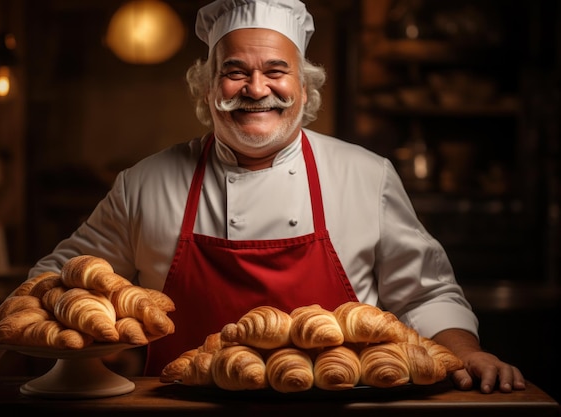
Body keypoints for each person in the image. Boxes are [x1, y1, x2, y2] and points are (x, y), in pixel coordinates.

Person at [27, 0, 524, 393]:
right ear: (207, 88)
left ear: (304, 89)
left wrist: (468, 353)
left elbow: (426, 293)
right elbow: (61, 275)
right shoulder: (145, 182)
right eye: (235, 70)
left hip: (341, 412)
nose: (256, 88)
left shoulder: (366, 175)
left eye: (276, 70)